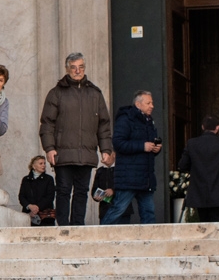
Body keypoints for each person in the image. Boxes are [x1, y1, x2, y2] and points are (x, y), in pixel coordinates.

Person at [37, 52, 114, 226]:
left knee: (82, 191)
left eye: (81, 67)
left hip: (86, 153)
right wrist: (49, 148)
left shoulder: (95, 93)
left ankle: (78, 225)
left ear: (84, 68)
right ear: (67, 69)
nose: (77, 71)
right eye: (73, 67)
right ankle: (63, 226)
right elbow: (47, 123)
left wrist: (106, 150)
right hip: (63, 153)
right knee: (63, 190)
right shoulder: (56, 93)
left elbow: (104, 125)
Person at [103, 91, 161, 225]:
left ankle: (149, 242)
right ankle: (99, 238)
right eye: (148, 103)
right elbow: (118, 143)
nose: (152, 106)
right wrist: (142, 146)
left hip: (146, 177)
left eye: (152, 103)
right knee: (118, 209)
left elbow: (148, 146)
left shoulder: (149, 121)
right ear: (138, 104)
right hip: (129, 176)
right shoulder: (126, 119)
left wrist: (156, 148)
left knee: (149, 212)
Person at [177, 115, 219, 223]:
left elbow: (182, 165)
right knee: (217, 223)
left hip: (199, 191)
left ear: (202, 127)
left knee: (203, 221)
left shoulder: (192, 143)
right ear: (217, 127)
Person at [19, 155, 54, 224]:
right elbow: (21, 196)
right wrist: (29, 206)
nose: (43, 165)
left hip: (45, 216)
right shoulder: (26, 180)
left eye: (44, 163)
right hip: (29, 215)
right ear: (33, 166)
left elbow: (50, 196)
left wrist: (37, 208)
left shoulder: (49, 179)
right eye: (40, 163)